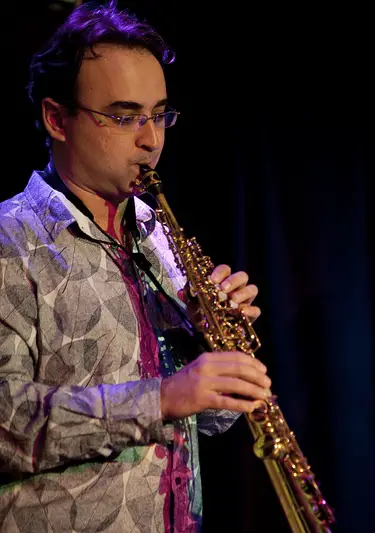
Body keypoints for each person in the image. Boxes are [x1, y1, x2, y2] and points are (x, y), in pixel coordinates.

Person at [0, 2, 271, 532]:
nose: (151, 139)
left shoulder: (157, 233)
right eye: (124, 117)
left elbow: (203, 424)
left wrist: (216, 351)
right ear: (57, 118)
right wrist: (162, 398)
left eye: (159, 114)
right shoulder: (10, 242)